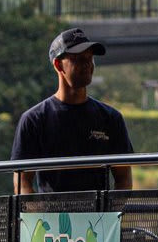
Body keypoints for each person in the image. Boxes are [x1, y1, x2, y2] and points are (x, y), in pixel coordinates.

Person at [13, 27, 134, 194]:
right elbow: (22, 182)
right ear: (58, 64)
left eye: (90, 58)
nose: (87, 65)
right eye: (78, 59)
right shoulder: (34, 120)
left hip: (98, 217)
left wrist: (110, 215)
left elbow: (124, 179)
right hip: (50, 218)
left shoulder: (111, 118)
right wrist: (38, 217)